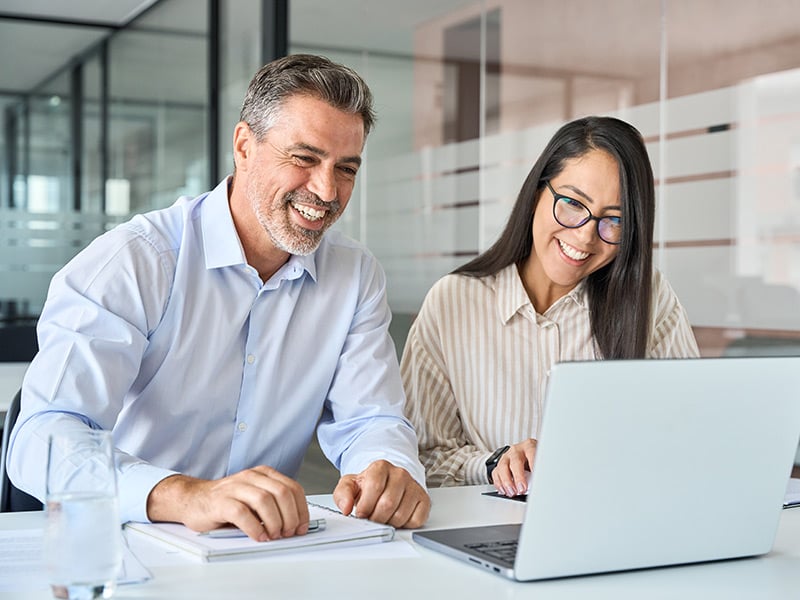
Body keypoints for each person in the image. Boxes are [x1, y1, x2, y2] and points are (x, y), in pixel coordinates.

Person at [8, 54, 430, 540]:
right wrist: (186, 495)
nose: (326, 190)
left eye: (347, 169)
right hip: (123, 543)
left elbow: (370, 419)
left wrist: (388, 468)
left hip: (261, 549)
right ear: (245, 146)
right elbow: (42, 438)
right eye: (304, 158)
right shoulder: (137, 260)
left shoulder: (355, 275)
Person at [400, 116, 699, 498]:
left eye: (614, 220)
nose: (586, 235)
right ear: (537, 192)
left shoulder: (650, 299)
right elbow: (422, 461)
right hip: (493, 529)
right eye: (573, 203)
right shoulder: (453, 302)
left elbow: (688, 439)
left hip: (613, 526)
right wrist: (495, 464)